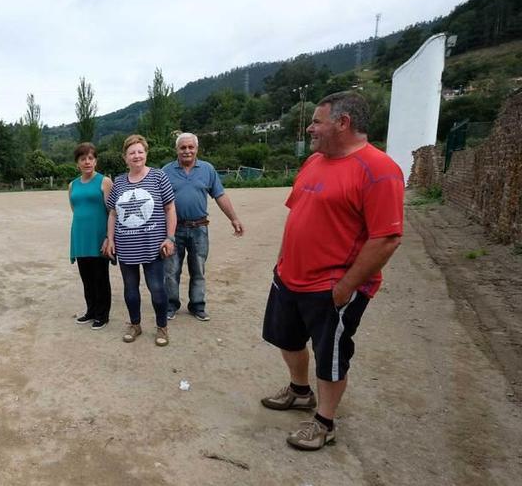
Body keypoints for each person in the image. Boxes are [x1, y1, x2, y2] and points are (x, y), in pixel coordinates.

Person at [260, 91, 404, 450]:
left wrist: (344, 289)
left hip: (332, 286)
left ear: (343, 123)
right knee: (286, 339)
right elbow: (297, 214)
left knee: (331, 355)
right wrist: (281, 263)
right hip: (289, 277)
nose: (310, 128)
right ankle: (299, 391)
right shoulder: (314, 162)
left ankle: (324, 421)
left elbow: (386, 239)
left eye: (317, 122)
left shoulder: (380, 170)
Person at [162, 133, 244, 322]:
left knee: (198, 269)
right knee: (171, 270)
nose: (187, 151)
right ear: (177, 150)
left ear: (197, 149)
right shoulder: (166, 171)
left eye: (191, 147)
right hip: (174, 229)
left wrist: (234, 218)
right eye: (183, 148)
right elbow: (159, 203)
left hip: (199, 228)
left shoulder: (207, 169)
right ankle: (171, 305)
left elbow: (220, 195)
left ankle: (197, 305)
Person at [105, 134, 177, 347]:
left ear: (146, 154)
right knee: (130, 288)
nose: (136, 156)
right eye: (131, 153)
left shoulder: (158, 177)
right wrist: (110, 239)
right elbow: (112, 214)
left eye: (140, 151)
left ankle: (162, 326)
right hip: (126, 247)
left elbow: (170, 208)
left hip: (153, 246)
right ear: (125, 158)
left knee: (157, 288)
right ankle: (135, 324)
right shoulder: (118, 182)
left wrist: (170, 237)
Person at [69, 142, 113, 330]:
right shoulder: (72, 185)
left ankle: (103, 315)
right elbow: (75, 209)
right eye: (82, 159)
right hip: (80, 236)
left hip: (99, 237)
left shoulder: (104, 181)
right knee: (86, 277)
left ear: (95, 161)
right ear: (77, 163)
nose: (87, 162)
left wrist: (108, 238)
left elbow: (111, 211)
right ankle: (91, 310)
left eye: (90, 158)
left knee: (100, 277)